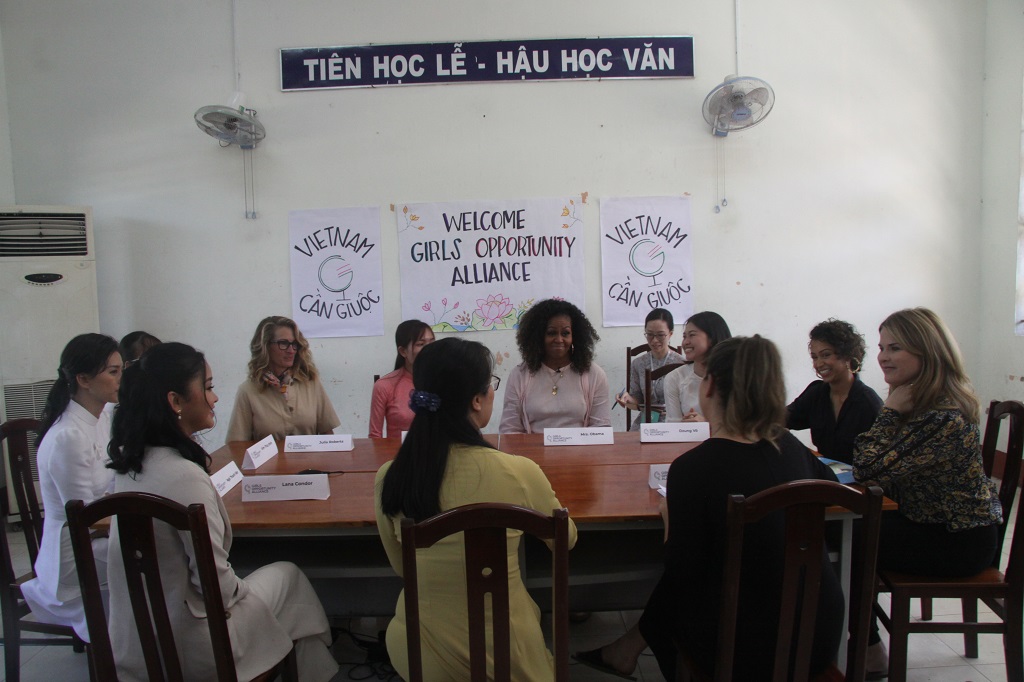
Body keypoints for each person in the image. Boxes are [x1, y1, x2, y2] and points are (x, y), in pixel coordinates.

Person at [575, 336, 843, 680]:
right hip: (817, 637)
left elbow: (680, 573)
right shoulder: (790, 445)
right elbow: (831, 487)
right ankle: (624, 651)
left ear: (710, 385)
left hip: (743, 651)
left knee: (686, 594)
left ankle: (631, 653)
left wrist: (670, 515)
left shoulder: (693, 468)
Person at [106, 342, 338, 681]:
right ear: (175, 402)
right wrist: (249, 598)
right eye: (209, 388)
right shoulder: (185, 477)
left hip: (138, 645)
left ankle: (313, 667)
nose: (214, 399)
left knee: (278, 601)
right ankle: (317, 671)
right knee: (288, 576)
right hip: (193, 649)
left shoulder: (128, 469)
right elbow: (218, 588)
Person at [375, 337, 578, 680]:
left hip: (421, 652)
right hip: (509, 653)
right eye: (491, 385)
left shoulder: (391, 477)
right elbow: (566, 541)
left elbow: (402, 565)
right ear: (475, 400)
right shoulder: (519, 472)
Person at [853, 308, 1002, 675]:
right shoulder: (923, 405)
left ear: (927, 351)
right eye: (882, 347)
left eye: (896, 348)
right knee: (847, 529)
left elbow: (867, 467)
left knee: (846, 536)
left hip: (958, 541)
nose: (884, 357)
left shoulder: (943, 416)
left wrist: (887, 411)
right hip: (930, 524)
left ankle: (867, 649)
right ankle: (853, 638)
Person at [21, 333, 121, 641]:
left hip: (96, 534)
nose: (121, 379)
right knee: (153, 551)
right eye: (113, 372)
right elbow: (85, 519)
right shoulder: (68, 436)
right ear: (83, 379)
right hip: (73, 553)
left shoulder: (102, 416)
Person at [499, 299, 610, 433]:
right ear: (538, 336)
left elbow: (601, 428)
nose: (559, 340)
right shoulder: (519, 375)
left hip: (580, 453)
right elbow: (509, 430)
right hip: (531, 453)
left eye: (565, 333)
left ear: (575, 336)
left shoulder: (595, 375)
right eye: (551, 333)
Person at [226, 316, 339, 441]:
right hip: (269, 461)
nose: (291, 350)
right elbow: (236, 445)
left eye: (294, 344)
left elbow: (328, 435)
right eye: (283, 343)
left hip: (309, 460)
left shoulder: (311, 383)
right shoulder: (248, 390)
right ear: (265, 346)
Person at [787, 319, 883, 464]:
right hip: (827, 479)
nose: (818, 364)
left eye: (826, 355)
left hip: (858, 484)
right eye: (814, 357)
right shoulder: (816, 393)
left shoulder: (868, 403)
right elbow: (779, 418)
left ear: (847, 355)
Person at [615, 308, 685, 430]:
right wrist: (627, 398)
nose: (654, 340)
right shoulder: (638, 363)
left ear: (671, 334)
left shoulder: (682, 364)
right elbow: (637, 398)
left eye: (660, 335)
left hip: (672, 423)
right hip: (645, 421)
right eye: (650, 334)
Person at [369, 319, 435, 437]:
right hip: (400, 454)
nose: (430, 349)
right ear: (403, 351)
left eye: (432, 342)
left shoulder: (445, 381)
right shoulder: (384, 385)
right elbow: (375, 437)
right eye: (421, 344)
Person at [663, 311, 732, 423]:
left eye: (692, 335)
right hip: (688, 440)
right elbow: (673, 425)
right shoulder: (674, 378)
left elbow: (745, 425)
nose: (685, 342)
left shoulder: (736, 375)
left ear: (712, 338)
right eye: (684, 336)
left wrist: (706, 424)